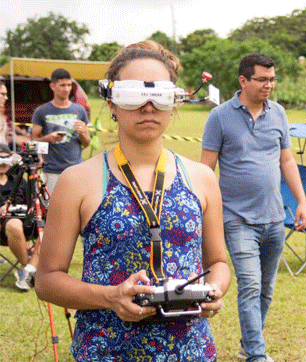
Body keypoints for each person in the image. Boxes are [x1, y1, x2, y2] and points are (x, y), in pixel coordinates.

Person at [35, 42, 231, 361]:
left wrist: (214, 290)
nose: (148, 106)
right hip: (106, 349)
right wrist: (110, 297)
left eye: (160, 94)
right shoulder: (77, 180)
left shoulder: (202, 177)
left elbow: (218, 263)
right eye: (133, 94)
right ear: (111, 103)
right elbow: (47, 281)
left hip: (189, 349)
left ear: (174, 102)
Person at [201, 53, 306, 362]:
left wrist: (301, 201)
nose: (269, 85)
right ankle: (257, 355)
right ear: (243, 81)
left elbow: (286, 160)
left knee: (266, 289)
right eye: (262, 79)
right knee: (249, 285)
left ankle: (249, 344)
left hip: (274, 217)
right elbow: (206, 169)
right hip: (236, 218)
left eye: (272, 79)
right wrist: (205, 213)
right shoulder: (219, 117)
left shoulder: (279, 114)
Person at [31, 68, 91, 194]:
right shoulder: (42, 111)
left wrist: (82, 133)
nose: (66, 89)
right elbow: (34, 141)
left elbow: (86, 143)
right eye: (62, 85)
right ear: (52, 86)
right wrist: (48, 138)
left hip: (76, 169)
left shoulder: (79, 110)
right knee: (52, 209)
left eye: (69, 85)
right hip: (52, 171)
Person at [0, 144, 38, 291]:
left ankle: (27, 271)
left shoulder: (19, 179)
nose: (2, 163)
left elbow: (30, 203)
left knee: (48, 227)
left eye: (5, 159)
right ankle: (28, 267)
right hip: (3, 227)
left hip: (25, 220)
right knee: (14, 224)